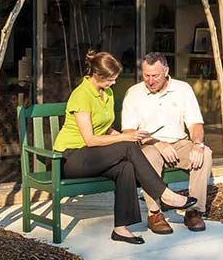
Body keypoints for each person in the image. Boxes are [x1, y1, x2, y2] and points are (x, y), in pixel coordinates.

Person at [52, 50, 197, 244]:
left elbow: (105, 128)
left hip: (92, 156)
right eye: (111, 79)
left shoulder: (106, 93)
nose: (114, 83)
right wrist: (126, 137)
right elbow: (90, 139)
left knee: (126, 167)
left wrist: (130, 135)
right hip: (71, 158)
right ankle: (165, 194)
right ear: (98, 75)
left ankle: (121, 229)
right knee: (127, 146)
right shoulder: (81, 95)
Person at [121, 52, 213, 234]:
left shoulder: (183, 89)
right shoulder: (134, 93)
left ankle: (194, 210)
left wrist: (197, 144)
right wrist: (157, 143)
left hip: (179, 143)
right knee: (149, 157)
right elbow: (128, 132)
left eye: (155, 76)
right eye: (146, 75)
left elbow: (195, 124)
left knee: (205, 153)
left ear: (166, 71)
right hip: (149, 144)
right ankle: (155, 214)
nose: (150, 80)